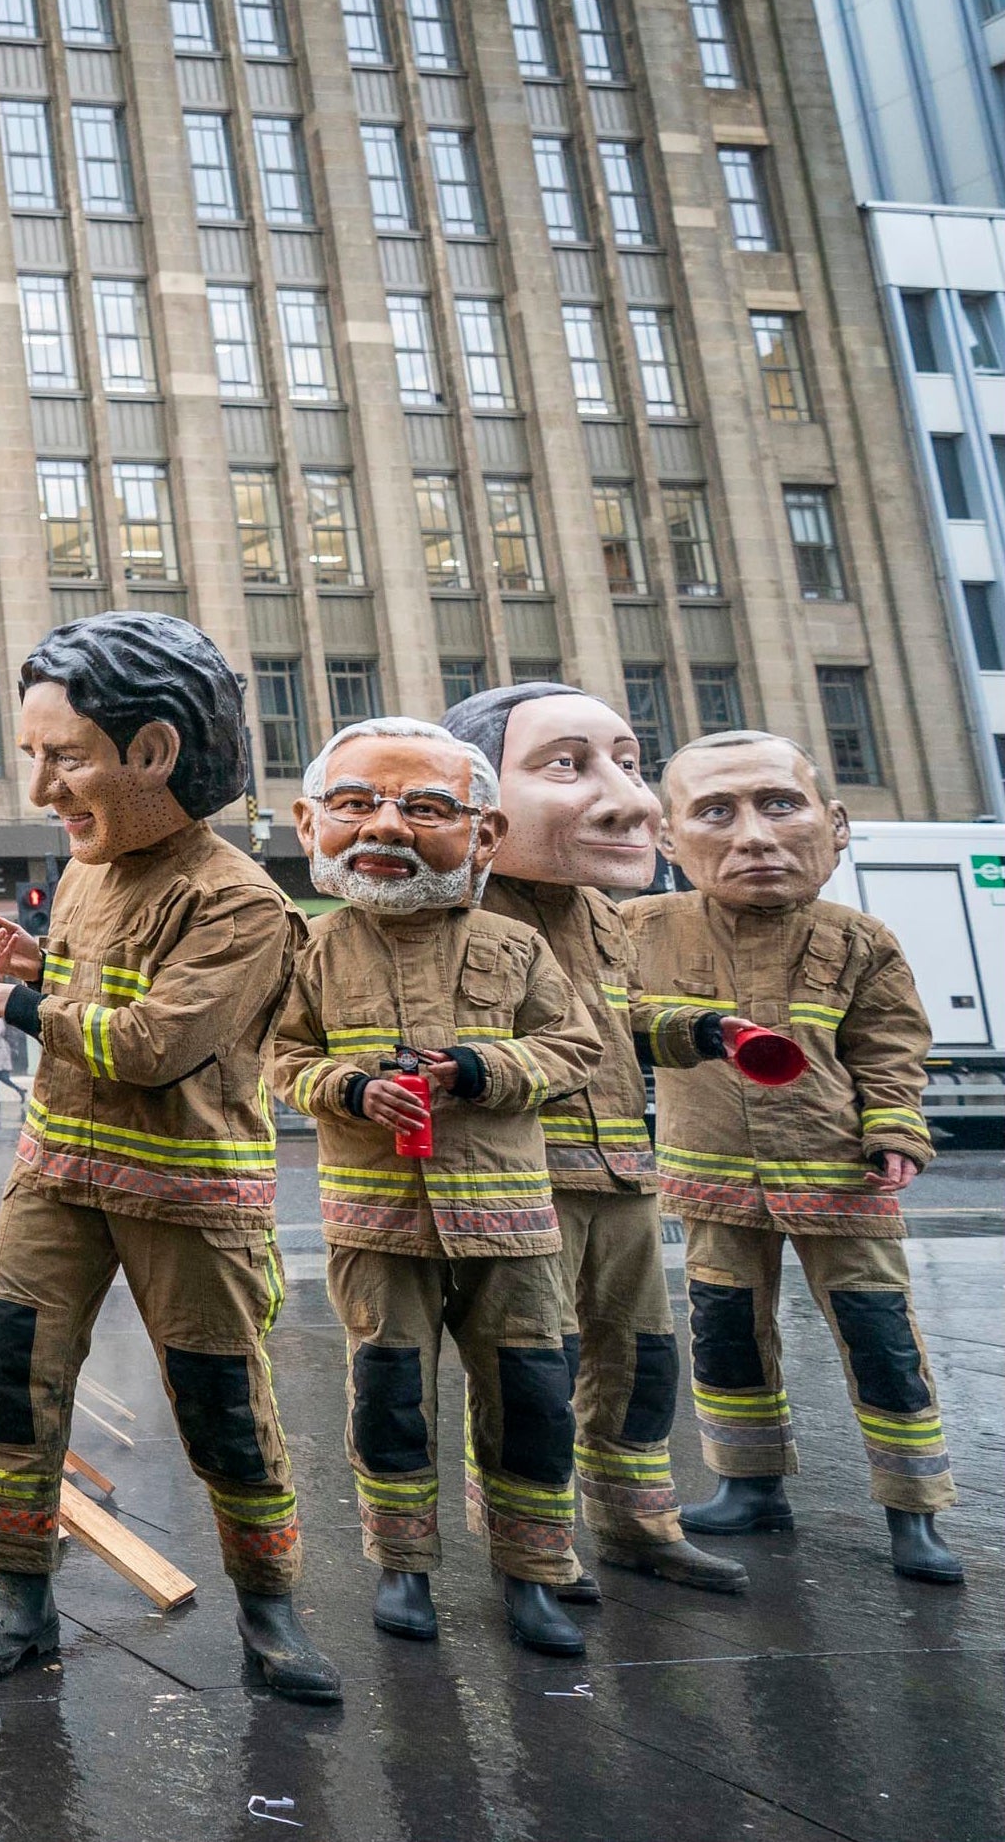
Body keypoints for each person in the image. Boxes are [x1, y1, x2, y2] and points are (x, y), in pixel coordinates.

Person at [0, 612, 338, 1704]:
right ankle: (20, 1598)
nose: (43, 788)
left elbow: (155, 1046)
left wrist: (10, 996)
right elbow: (92, 985)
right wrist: (35, 958)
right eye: (34, 759)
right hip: (57, 1177)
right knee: (9, 1382)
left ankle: (272, 1613)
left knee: (221, 1406)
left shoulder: (242, 901)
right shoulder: (92, 871)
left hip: (187, 1198)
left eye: (64, 758)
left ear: (152, 752)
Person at [267, 717, 592, 1657]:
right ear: (311, 823)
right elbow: (280, 1059)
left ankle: (532, 1572)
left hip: (512, 1224)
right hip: (376, 1223)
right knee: (389, 1394)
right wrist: (351, 1089)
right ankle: (402, 1566)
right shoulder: (315, 951)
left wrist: (478, 1067)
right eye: (357, 804)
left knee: (531, 1395)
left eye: (426, 807)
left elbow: (575, 1048)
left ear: (484, 835)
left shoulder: (516, 944)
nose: (387, 828)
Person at [626, 731, 963, 1584]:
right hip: (710, 1182)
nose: (754, 837)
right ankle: (748, 1483)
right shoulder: (635, 931)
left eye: (780, 805)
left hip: (840, 1177)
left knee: (880, 1336)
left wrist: (895, 1129)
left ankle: (914, 1508)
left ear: (835, 823)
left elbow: (889, 1049)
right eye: (715, 812)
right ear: (669, 839)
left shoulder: (861, 939)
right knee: (727, 1333)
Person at [443, 685, 745, 1598]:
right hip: (519, 1183)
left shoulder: (600, 914)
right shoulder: (457, 919)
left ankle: (637, 1521)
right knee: (534, 1369)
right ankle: (530, 1548)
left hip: (620, 1175)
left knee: (642, 1360)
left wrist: (691, 1028)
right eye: (568, 765)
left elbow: (607, 1023)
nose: (634, 800)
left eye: (628, 761)